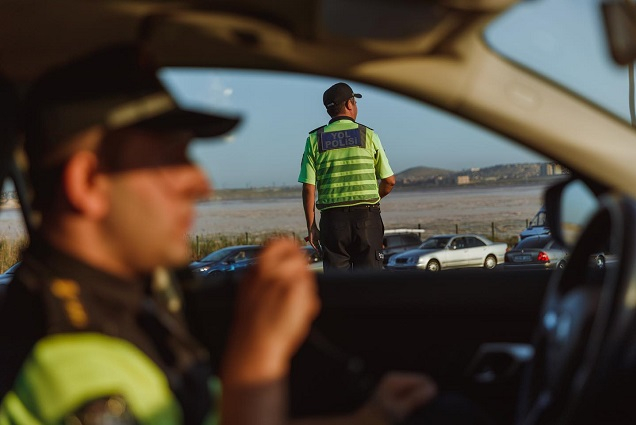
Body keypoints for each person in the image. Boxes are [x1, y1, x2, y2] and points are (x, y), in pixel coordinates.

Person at [0, 45, 436, 424]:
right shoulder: (71, 366)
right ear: (87, 184)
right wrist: (259, 352)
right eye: (169, 159)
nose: (200, 182)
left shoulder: (132, 303)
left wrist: (369, 418)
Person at [299, 82, 396, 272]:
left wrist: (311, 227)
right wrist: (372, 197)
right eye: (355, 102)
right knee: (370, 283)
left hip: (332, 222)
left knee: (337, 284)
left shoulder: (314, 139)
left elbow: (308, 188)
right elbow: (389, 181)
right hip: (366, 218)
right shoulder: (368, 135)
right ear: (350, 104)